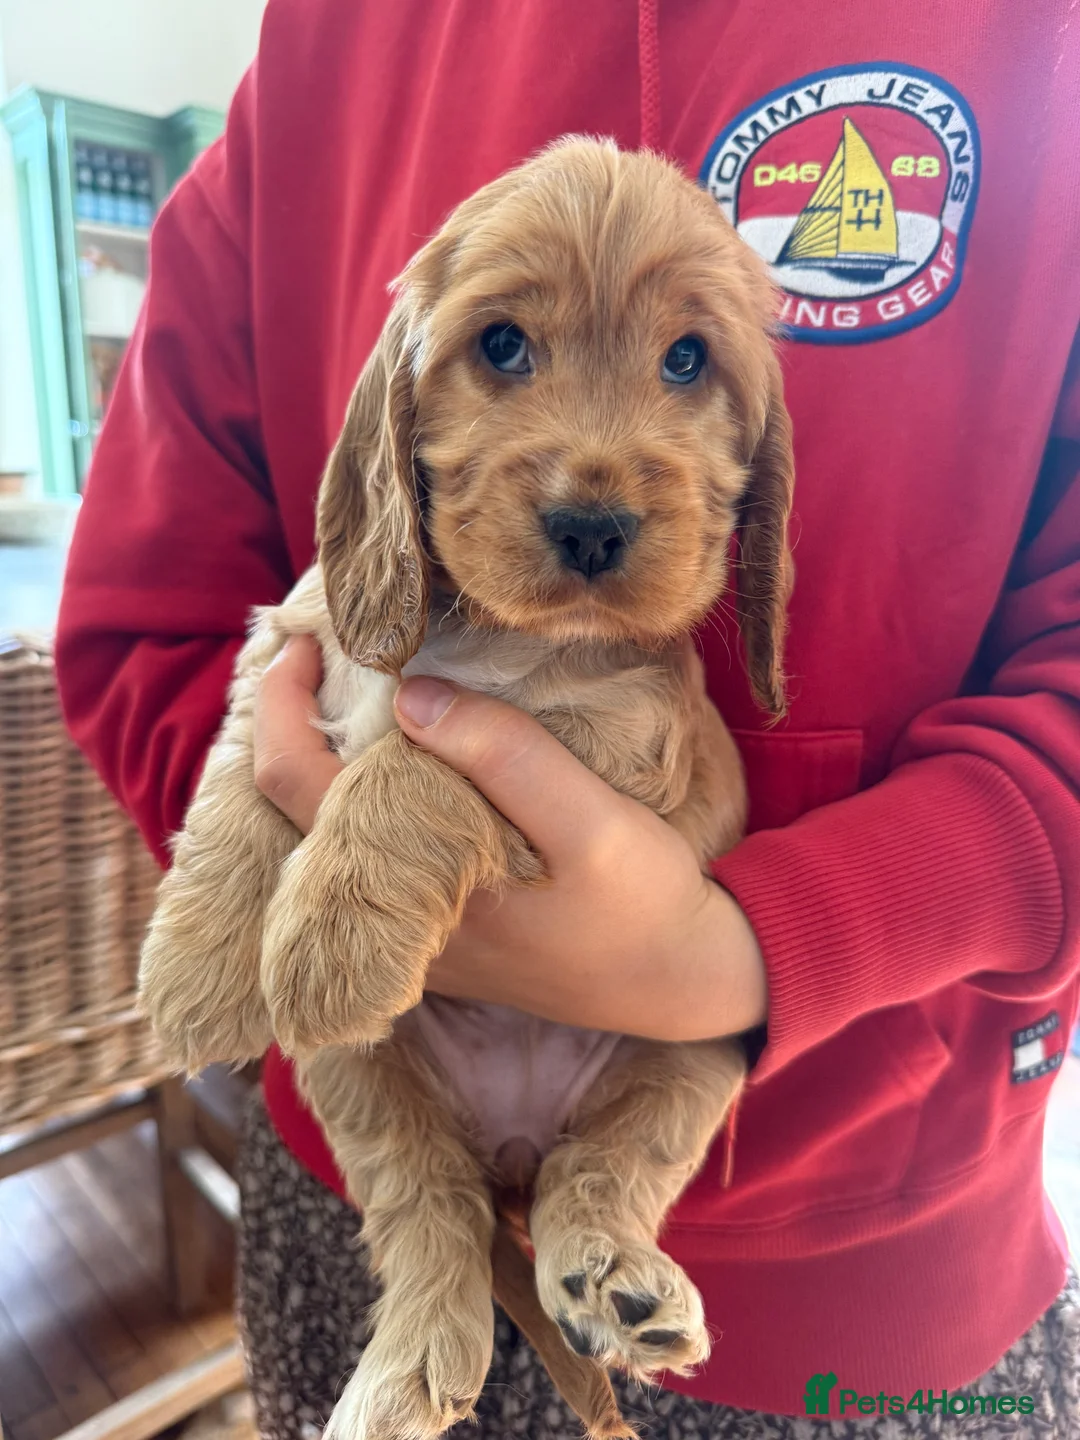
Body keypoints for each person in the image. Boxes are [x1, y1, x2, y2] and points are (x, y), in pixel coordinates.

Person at [55, 2, 1080, 1436]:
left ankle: (603, 1211)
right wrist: (273, 844)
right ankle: (429, 1306)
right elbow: (152, 625)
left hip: (868, 1251)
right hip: (356, 1200)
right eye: (504, 347)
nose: (588, 487)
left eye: (686, 364)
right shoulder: (322, 39)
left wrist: (759, 945)